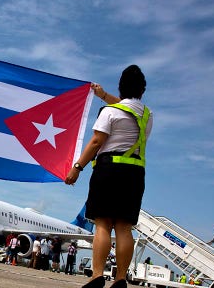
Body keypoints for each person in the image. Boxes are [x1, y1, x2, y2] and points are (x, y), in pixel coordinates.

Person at [65, 65, 153, 288]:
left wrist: (77, 167)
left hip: (109, 170)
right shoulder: (147, 116)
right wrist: (103, 96)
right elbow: (127, 108)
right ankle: (120, 279)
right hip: (135, 174)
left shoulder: (110, 112)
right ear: (142, 90)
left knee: (103, 224)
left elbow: (96, 141)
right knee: (124, 227)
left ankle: (97, 276)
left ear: (120, 88)